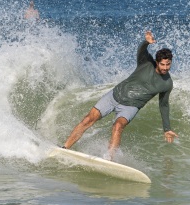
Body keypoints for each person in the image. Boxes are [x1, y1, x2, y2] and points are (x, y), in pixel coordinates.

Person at [62, 30, 178, 160]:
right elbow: (141, 49)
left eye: (168, 64)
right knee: (88, 119)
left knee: (118, 126)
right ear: (157, 62)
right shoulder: (146, 63)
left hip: (131, 107)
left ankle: (109, 159)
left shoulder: (167, 83)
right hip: (114, 96)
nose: (165, 68)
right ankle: (65, 148)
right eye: (162, 64)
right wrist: (146, 42)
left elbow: (163, 105)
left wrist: (167, 128)